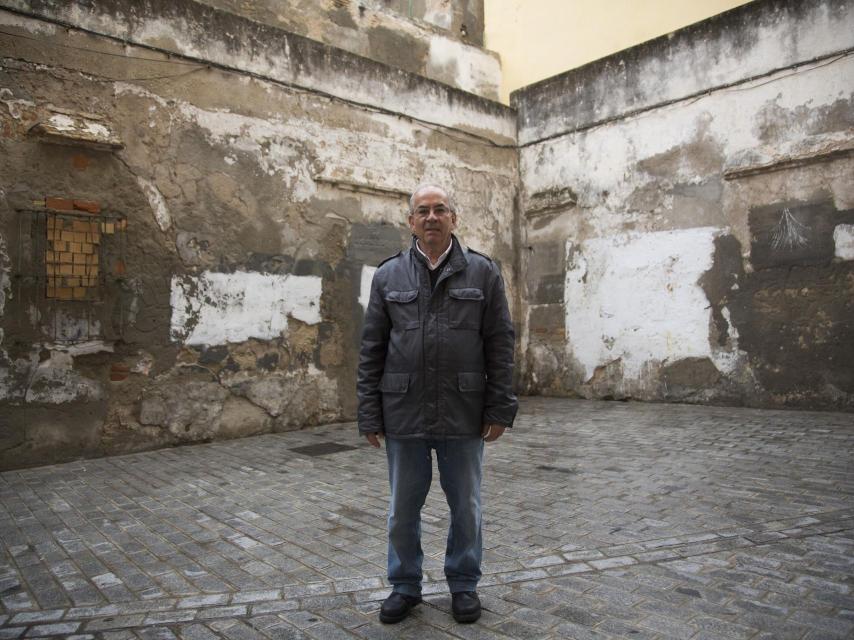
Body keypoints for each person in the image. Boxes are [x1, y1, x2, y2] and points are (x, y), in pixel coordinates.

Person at [356, 183, 518, 624]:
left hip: (464, 411)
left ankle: (463, 584)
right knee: (402, 510)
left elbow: (500, 344)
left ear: (453, 218)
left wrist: (500, 408)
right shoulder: (389, 275)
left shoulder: (483, 272)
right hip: (404, 411)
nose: (431, 217)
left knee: (466, 507)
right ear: (411, 221)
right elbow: (372, 348)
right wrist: (369, 412)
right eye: (423, 211)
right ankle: (404, 585)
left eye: (440, 209)